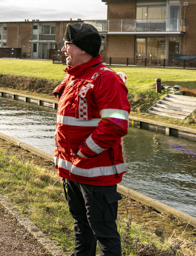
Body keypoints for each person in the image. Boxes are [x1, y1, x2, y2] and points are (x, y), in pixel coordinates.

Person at [53, 23, 130, 256]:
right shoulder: (74, 78)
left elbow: (116, 123)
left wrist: (85, 152)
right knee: (82, 226)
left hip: (95, 172)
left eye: (68, 45)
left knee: (103, 231)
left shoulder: (106, 79)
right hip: (73, 170)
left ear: (83, 50)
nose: (64, 50)